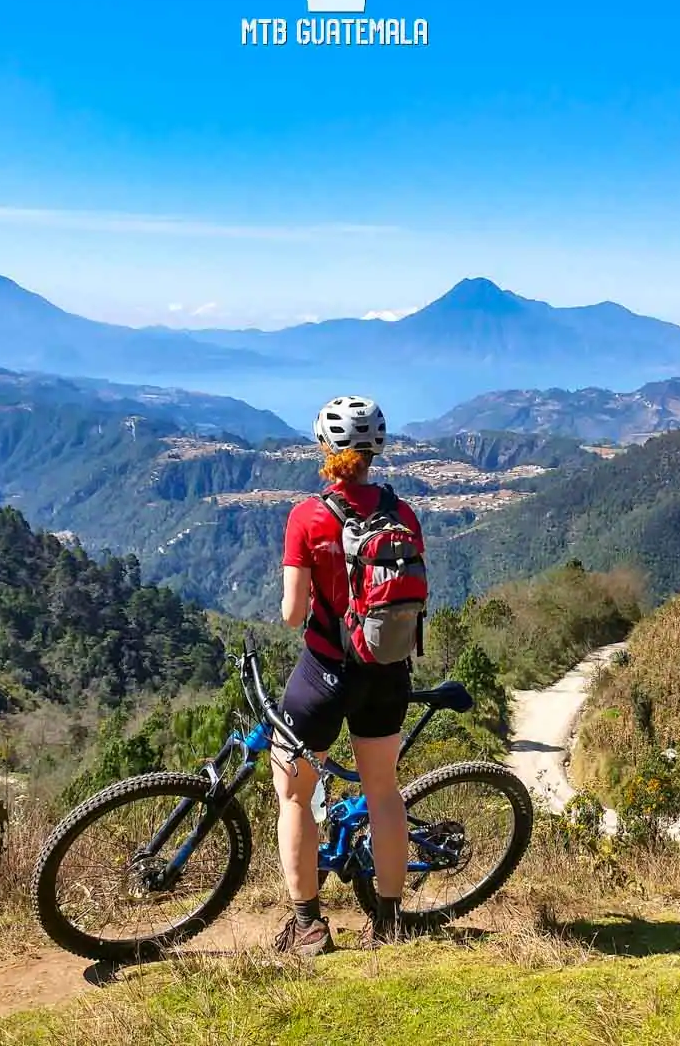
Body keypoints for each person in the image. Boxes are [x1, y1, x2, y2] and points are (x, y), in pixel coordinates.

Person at [272, 394, 423, 956]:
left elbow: (292, 615)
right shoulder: (402, 513)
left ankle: (309, 926)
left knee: (294, 795)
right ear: (376, 449)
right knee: (384, 793)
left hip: (324, 674)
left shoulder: (308, 516)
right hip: (386, 671)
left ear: (324, 445)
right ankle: (386, 922)